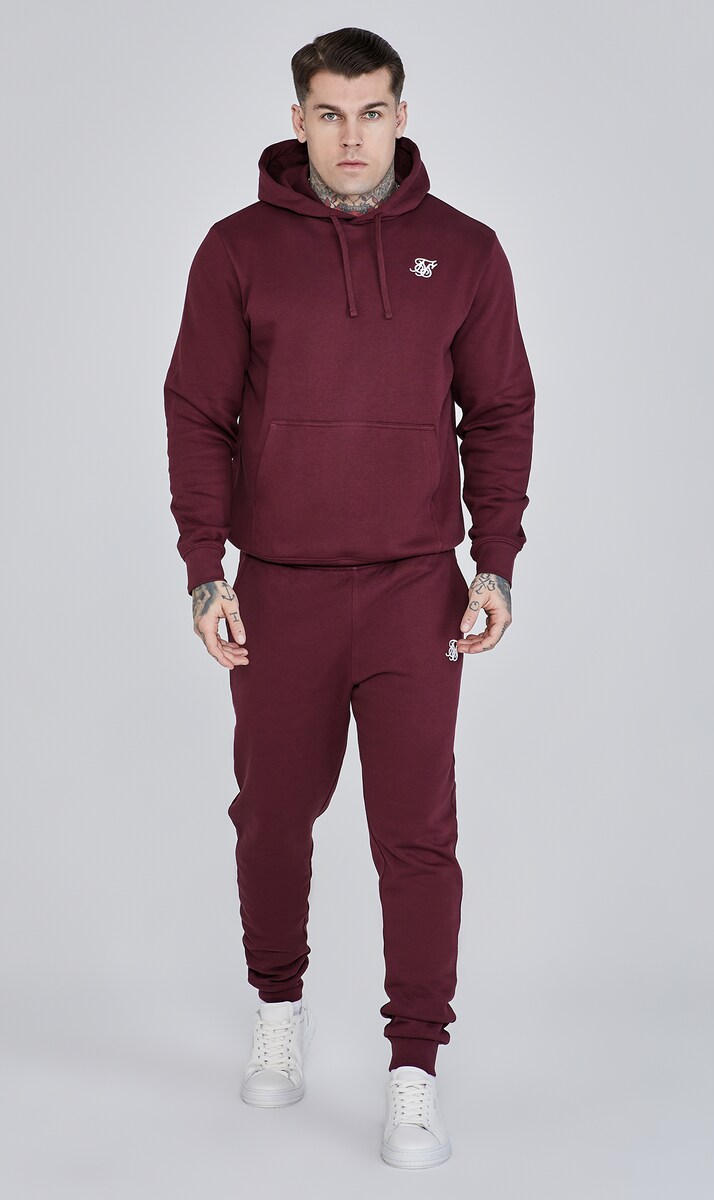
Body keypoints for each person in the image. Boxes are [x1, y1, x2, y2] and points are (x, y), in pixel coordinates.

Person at [163, 26, 535, 1170]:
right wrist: (204, 568)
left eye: (372, 111)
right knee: (273, 817)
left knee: (417, 834)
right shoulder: (236, 250)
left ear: (402, 116)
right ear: (298, 122)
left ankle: (413, 1068)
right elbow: (197, 412)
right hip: (281, 590)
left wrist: (494, 560)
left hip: (419, 589)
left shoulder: (465, 252)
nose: (352, 135)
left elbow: (501, 412)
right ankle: (279, 1006)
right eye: (329, 113)